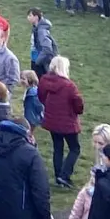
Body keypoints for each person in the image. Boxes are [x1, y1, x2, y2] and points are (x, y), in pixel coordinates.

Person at [38, 55, 85, 188]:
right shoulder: (69, 86)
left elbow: (41, 97)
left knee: (57, 148)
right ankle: (64, 175)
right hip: (68, 122)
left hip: (52, 121)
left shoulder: (44, 80)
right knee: (75, 148)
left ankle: (58, 176)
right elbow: (78, 104)